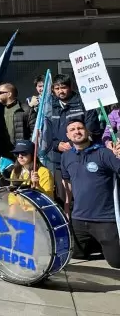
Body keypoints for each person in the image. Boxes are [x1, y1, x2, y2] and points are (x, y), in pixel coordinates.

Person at [61, 120, 120, 268]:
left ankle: (106, 245)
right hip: (78, 219)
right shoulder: (66, 157)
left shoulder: (104, 153)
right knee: (75, 254)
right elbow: (67, 182)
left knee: (116, 262)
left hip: (105, 219)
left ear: (87, 131)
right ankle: (98, 244)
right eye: (72, 129)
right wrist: (67, 207)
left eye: (80, 128)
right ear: (68, 135)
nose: (77, 131)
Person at [45, 74, 101, 200]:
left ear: (70, 87)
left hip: (82, 157)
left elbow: (93, 129)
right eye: (57, 88)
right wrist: (56, 145)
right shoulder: (49, 107)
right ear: (53, 89)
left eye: (63, 87)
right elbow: (45, 132)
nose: (60, 91)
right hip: (58, 160)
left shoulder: (83, 103)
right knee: (64, 197)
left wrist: (72, 144)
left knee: (85, 195)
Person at [0, 82, 35, 157]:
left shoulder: (26, 110)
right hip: (4, 155)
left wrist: (25, 147)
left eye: (0, 92)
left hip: (22, 154)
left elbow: (35, 133)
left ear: (9, 94)